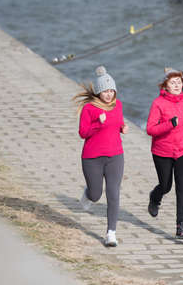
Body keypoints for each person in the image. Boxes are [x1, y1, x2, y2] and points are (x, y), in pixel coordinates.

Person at [73, 66, 129, 247]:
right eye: (106, 91)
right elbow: (83, 133)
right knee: (96, 195)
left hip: (115, 156)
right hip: (92, 158)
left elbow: (118, 121)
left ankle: (111, 233)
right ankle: (88, 194)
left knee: (113, 194)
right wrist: (98, 123)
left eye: (112, 90)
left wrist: (122, 128)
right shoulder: (89, 109)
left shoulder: (117, 105)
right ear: (98, 91)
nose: (109, 94)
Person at [146, 67, 183, 239]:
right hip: (163, 151)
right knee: (166, 185)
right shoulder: (158, 103)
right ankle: (155, 198)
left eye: (179, 81)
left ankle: (181, 226)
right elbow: (150, 129)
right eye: (173, 82)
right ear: (165, 86)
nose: (177, 85)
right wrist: (170, 124)